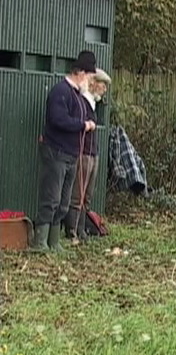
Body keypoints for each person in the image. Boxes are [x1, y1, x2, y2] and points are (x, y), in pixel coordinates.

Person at [32, 50, 97, 252]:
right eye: (90, 76)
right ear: (81, 72)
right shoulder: (60, 91)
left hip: (71, 155)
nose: (90, 80)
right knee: (51, 197)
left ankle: (54, 241)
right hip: (57, 151)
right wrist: (82, 125)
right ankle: (40, 241)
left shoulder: (77, 95)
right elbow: (57, 119)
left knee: (64, 201)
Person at [64, 68, 112, 242]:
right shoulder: (82, 102)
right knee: (78, 193)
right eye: (103, 84)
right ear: (93, 83)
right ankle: (72, 231)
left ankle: (82, 229)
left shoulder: (93, 103)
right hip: (82, 152)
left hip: (93, 152)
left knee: (88, 194)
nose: (105, 89)